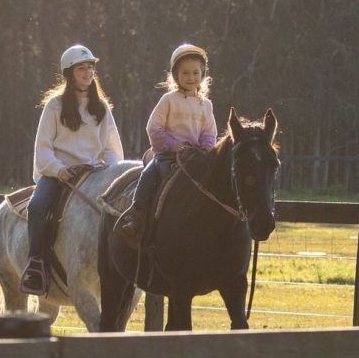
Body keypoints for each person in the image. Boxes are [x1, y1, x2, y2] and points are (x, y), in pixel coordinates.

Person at [24, 43, 125, 293]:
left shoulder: (102, 107)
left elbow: (112, 147)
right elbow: (43, 147)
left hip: (94, 173)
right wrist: (58, 169)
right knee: (37, 207)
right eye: (82, 68)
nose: (88, 72)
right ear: (69, 73)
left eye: (90, 67)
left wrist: (112, 174)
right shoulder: (54, 106)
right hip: (59, 174)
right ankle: (35, 264)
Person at [118, 41, 217, 248]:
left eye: (196, 73)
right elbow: (154, 127)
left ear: (203, 74)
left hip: (195, 157)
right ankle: (136, 214)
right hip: (168, 155)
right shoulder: (169, 100)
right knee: (150, 174)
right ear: (175, 75)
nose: (191, 77)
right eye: (185, 73)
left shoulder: (205, 105)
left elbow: (209, 132)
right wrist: (174, 145)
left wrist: (205, 148)